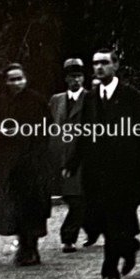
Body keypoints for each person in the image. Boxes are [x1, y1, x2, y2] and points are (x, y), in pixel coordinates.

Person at [66, 49, 140, 279]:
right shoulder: (90, 97)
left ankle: (109, 268)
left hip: (123, 171)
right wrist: (73, 162)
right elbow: (84, 131)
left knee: (114, 220)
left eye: (104, 63)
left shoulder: (131, 96)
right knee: (92, 219)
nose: (99, 68)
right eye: (95, 64)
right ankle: (129, 246)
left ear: (116, 65)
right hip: (94, 170)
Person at [0, 63, 53, 266]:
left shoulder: (36, 100)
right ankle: (24, 246)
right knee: (15, 209)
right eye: (12, 79)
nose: (16, 83)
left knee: (32, 208)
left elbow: (46, 128)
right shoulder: (2, 102)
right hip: (9, 163)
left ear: (26, 79)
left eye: (19, 78)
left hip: (32, 163)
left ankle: (31, 248)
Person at [48, 58, 95, 252]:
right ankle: (92, 229)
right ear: (66, 79)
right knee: (72, 197)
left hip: (82, 156)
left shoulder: (91, 98)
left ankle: (68, 237)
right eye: (71, 77)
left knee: (78, 199)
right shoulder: (56, 100)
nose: (75, 80)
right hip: (60, 155)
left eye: (79, 76)